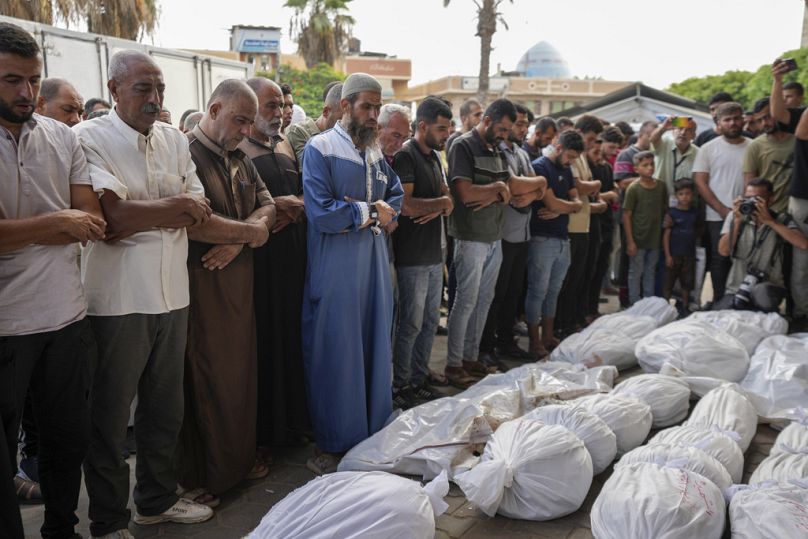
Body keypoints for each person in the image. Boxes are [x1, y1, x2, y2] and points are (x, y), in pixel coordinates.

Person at [74, 50, 215, 537]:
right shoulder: (87, 140)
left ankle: (155, 501)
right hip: (116, 301)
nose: (154, 100)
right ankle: (109, 520)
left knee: (164, 411)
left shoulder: (175, 140)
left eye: (160, 91)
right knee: (110, 421)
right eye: (143, 90)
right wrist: (175, 206)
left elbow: (202, 206)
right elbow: (112, 221)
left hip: (172, 295)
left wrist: (157, 208)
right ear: (114, 90)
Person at [0, 21, 106, 539]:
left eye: (33, 80)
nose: (25, 92)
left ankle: (61, 529)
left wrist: (26, 230)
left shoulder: (63, 137)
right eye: (10, 80)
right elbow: (71, 221)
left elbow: (90, 218)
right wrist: (55, 223)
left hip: (64, 314)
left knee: (68, 442)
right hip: (5, 324)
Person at [174, 79, 276, 506]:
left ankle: (237, 464)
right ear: (213, 110)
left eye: (251, 123)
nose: (246, 131)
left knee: (240, 377)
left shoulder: (241, 158)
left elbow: (270, 204)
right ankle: (204, 478)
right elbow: (196, 221)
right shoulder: (184, 154)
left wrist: (240, 239)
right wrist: (252, 233)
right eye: (240, 120)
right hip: (201, 287)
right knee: (206, 378)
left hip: (239, 286)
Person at [300, 73, 403, 474]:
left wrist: (370, 211)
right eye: (367, 107)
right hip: (336, 267)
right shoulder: (319, 148)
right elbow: (322, 213)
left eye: (377, 108)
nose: (374, 115)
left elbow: (395, 194)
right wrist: (371, 212)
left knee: (374, 343)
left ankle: (370, 433)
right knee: (337, 350)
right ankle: (333, 442)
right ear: (346, 107)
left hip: (374, 263)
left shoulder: (375, 151)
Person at [444, 98, 546, 385]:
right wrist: (497, 189)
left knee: (484, 300)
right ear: (486, 120)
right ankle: (453, 364)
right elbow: (465, 193)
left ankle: (470, 357)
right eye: (501, 129)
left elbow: (513, 187)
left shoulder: (498, 148)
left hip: (494, 237)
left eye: (507, 130)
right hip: (470, 237)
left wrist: (538, 185)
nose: (504, 135)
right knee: (464, 301)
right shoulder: (463, 145)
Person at [241, 77, 310, 454]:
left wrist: (294, 206)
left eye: (283, 106)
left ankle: (294, 424)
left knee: (292, 341)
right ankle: (267, 434)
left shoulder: (284, 144)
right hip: (260, 263)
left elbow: (304, 194)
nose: (280, 113)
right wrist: (270, 211)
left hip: (293, 257)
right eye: (271, 106)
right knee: (265, 346)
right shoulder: (239, 148)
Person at [390, 97, 454, 408]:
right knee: (411, 325)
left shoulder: (434, 158)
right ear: (423, 126)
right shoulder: (407, 156)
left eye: (449, 128)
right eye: (442, 129)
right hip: (412, 257)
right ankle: (401, 386)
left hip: (433, 255)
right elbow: (406, 206)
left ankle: (418, 379)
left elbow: (447, 198)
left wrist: (442, 202)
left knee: (430, 323)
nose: (447, 134)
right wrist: (440, 204)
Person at [479, 103, 537, 366]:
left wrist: (537, 188)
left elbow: (536, 188)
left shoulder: (522, 153)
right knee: (496, 294)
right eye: (519, 124)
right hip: (502, 232)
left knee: (513, 293)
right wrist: (534, 187)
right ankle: (487, 347)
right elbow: (513, 188)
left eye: (526, 125)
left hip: (522, 234)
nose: (522, 129)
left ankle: (505, 341)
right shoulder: (499, 151)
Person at [526, 130, 584, 357]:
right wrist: (566, 206)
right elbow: (552, 203)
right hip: (542, 238)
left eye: (574, 158)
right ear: (558, 147)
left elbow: (576, 201)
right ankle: (534, 342)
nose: (571, 162)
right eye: (569, 156)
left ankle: (548, 336)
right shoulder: (540, 167)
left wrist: (564, 207)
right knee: (537, 291)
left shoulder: (566, 169)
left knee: (553, 291)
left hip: (562, 238)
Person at [717, 178, 808, 308]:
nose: (752, 203)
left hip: (768, 288)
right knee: (726, 314)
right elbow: (723, 251)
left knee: (762, 295)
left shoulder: (781, 219)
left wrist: (770, 221)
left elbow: (803, 244)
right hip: (736, 288)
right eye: (748, 198)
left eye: (757, 199)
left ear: (771, 199)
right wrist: (736, 222)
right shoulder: (735, 217)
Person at [693, 102, 751, 304]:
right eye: (727, 120)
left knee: (743, 258)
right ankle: (720, 301)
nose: (733, 123)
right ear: (719, 123)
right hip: (716, 215)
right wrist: (723, 210)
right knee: (719, 259)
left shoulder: (753, 146)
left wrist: (743, 210)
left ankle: (741, 301)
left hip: (747, 213)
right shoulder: (708, 149)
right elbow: (700, 182)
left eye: (736, 118)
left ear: (743, 119)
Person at [555, 115, 603, 336]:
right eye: (591, 138)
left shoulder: (581, 156)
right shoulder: (573, 156)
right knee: (567, 280)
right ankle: (561, 323)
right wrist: (595, 185)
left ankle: (572, 319)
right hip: (571, 225)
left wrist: (592, 186)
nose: (593, 144)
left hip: (583, 223)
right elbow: (579, 186)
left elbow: (589, 186)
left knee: (579, 278)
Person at [623, 151, 668, 304]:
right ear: (636, 169)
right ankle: (634, 304)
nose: (650, 168)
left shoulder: (661, 186)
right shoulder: (633, 188)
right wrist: (630, 242)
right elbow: (627, 215)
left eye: (652, 164)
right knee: (635, 272)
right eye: (645, 165)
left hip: (654, 238)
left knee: (650, 272)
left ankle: (648, 304)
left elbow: (664, 210)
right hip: (638, 239)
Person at [587, 126, 623, 315]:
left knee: (601, 267)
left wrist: (611, 193)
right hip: (592, 223)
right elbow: (591, 195)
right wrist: (608, 194)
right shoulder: (587, 166)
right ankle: (585, 310)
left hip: (607, 222)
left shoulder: (607, 167)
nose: (612, 150)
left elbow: (611, 191)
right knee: (589, 271)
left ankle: (593, 309)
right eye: (610, 145)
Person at [743, 97, 795, 213]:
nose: (764, 123)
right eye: (759, 120)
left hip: (798, 211)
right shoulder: (755, 146)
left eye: (767, 117)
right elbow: (749, 184)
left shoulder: (800, 139)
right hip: (768, 212)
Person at [663, 178, 701, 313]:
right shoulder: (671, 213)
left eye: (688, 194)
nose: (685, 197)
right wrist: (668, 255)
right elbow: (666, 235)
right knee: (668, 283)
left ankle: (685, 308)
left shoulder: (695, 213)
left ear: (693, 195)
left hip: (689, 255)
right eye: (681, 194)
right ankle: (665, 309)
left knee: (687, 284)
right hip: (673, 255)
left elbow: (696, 233)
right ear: (676, 196)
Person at [286, 82, 343, 162]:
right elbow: (310, 168)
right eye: (341, 120)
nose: (346, 125)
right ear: (326, 112)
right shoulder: (299, 132)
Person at [650, 115, 699, 204]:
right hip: (659, 199)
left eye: (688, 130)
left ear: (693, 136)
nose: (683, 133)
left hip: (684, 204)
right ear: (673, 131)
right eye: (680, 128)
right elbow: (653, 139)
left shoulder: (698, 153)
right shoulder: (665, 143)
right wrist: (663, 128)